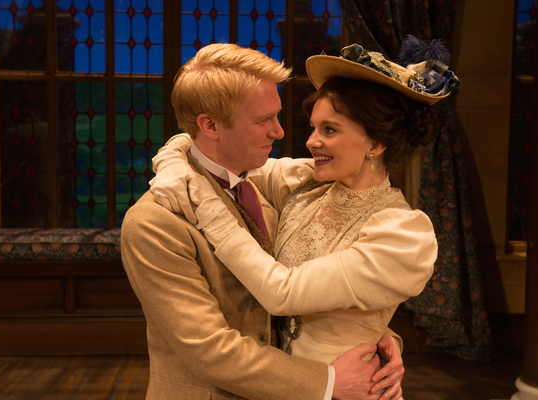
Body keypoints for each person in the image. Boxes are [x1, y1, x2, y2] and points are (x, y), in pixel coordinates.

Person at [151, 40, 458, 399]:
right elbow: (210, 152)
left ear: (375, 144)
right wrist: (171, 161)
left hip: (352, 391)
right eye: (313, 127)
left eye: (330, 130)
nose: (310, 141)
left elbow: (282, 294)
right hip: (291, 386)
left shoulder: (402, 234)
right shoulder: (306, 183)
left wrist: (205, 207)